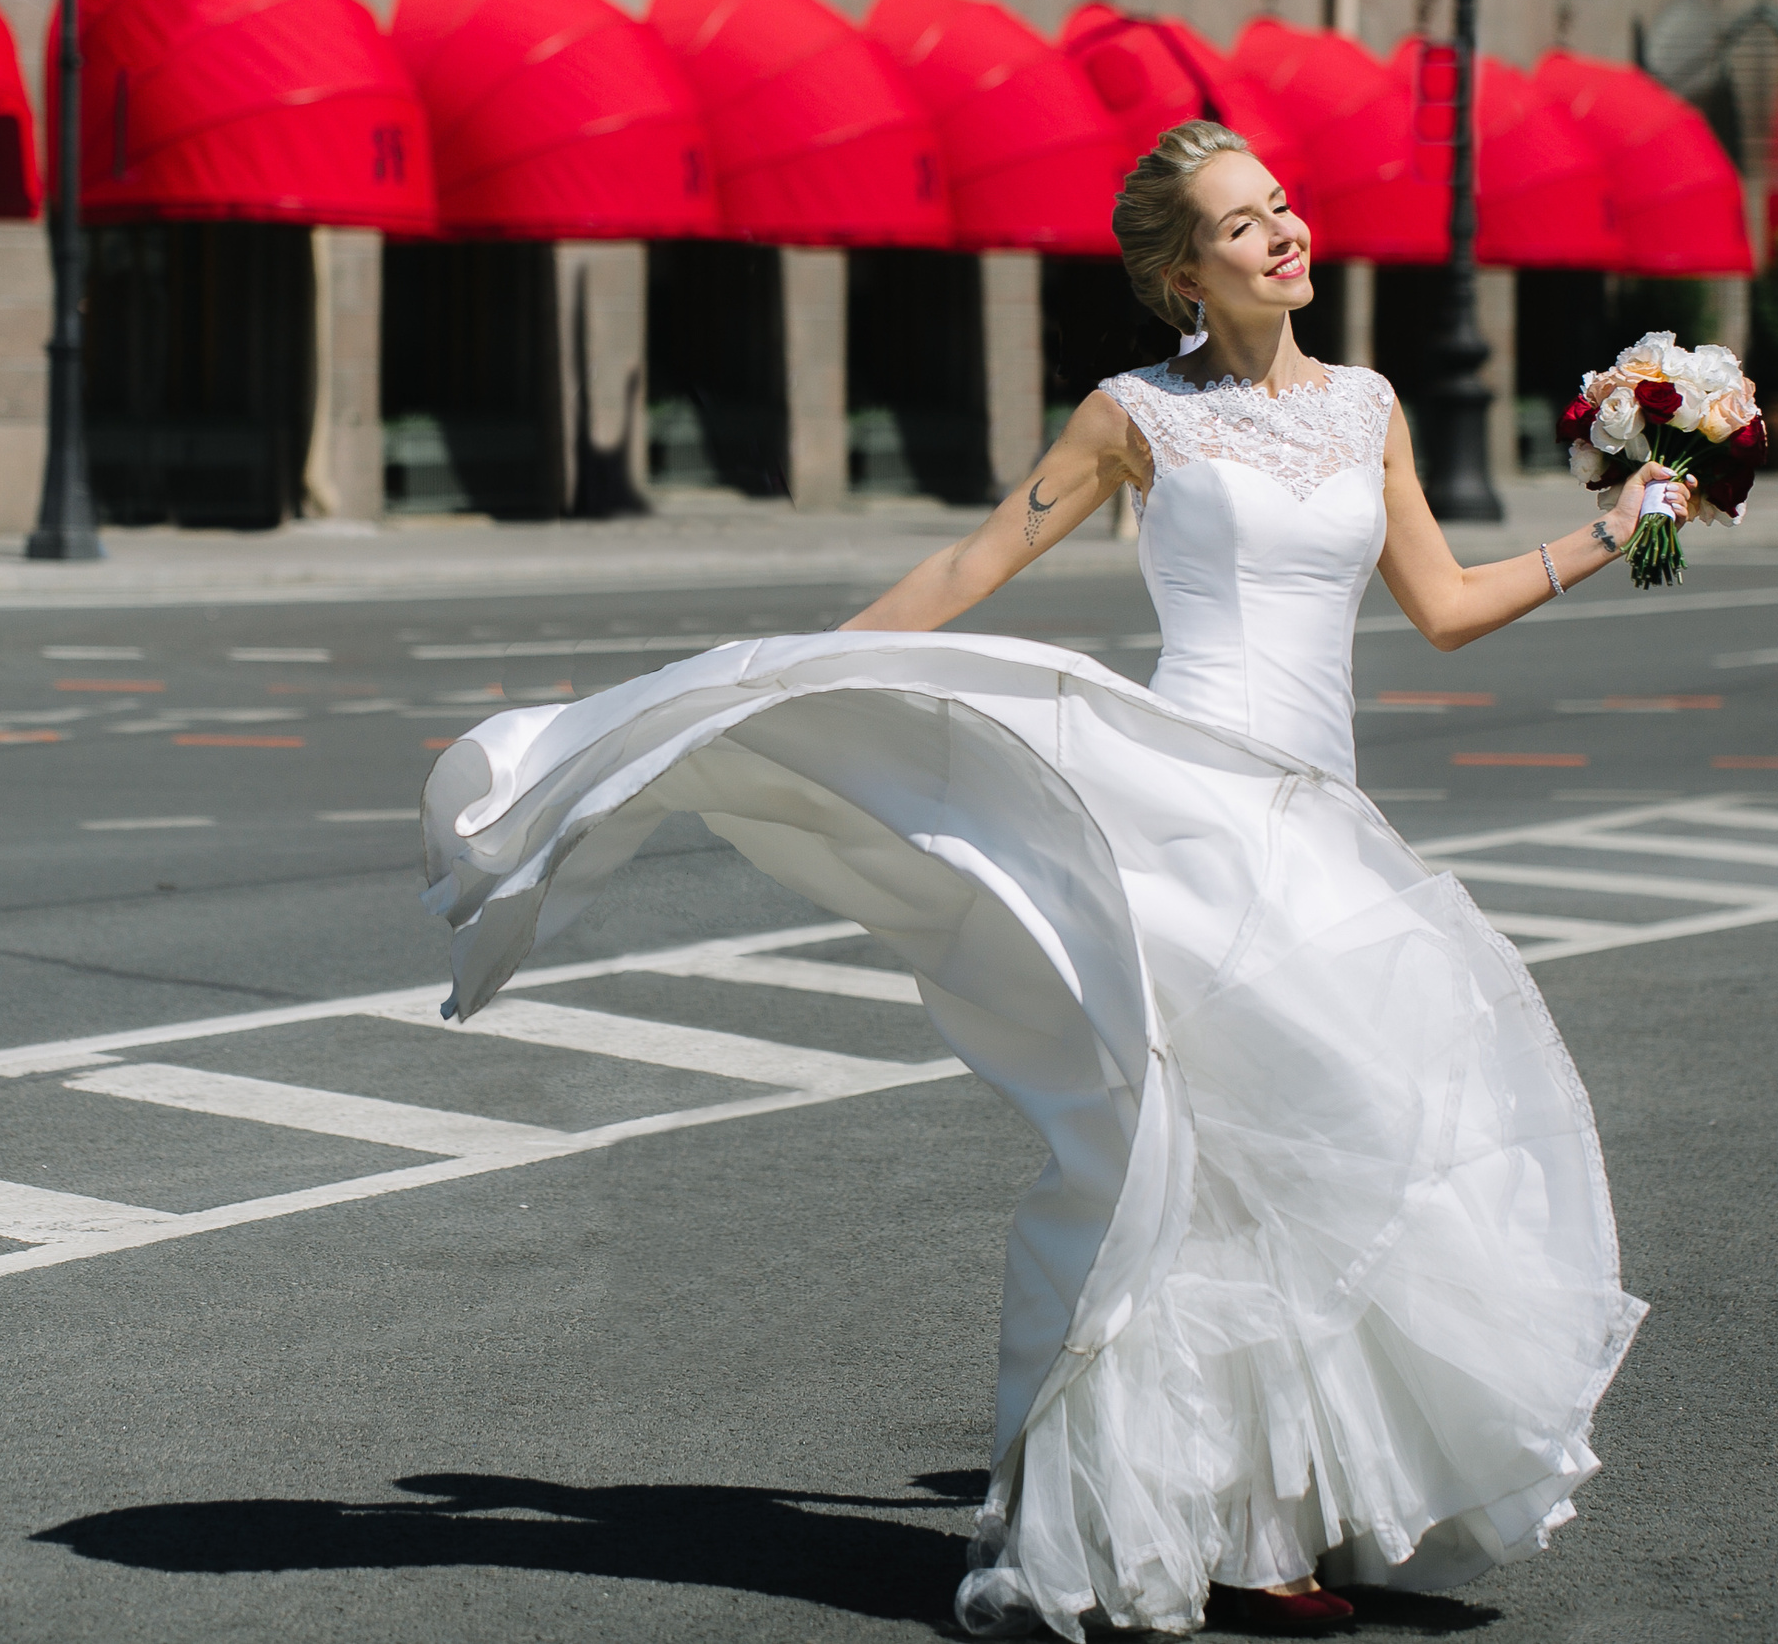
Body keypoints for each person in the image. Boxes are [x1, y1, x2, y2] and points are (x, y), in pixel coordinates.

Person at [421, 120, 1665, 1640]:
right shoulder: (1133, 416)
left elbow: (1447, 605)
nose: (1282, 235)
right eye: (1239, 224)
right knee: (1198, 1166)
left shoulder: (1374, 409)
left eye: (1282, 208)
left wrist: (1620, 527)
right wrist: (803, 671)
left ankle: (1272, 1508)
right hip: (1181, 808)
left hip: (1326, 825)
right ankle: (1234, 1538)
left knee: (1331, 1147)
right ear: (1180, 274)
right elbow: (968, 575)